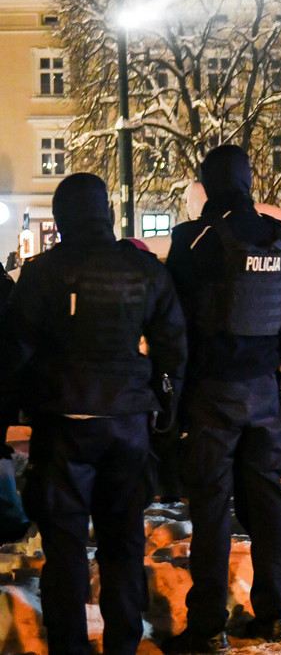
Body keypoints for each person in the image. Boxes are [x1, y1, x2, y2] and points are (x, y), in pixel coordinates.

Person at [0, 174, 187, 655]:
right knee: (122, 540)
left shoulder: (43, 272)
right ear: (106, 212)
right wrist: (166, 408)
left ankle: (71, 647)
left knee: (64, 547)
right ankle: (124, 642)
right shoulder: (144, 270)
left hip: (63, 422)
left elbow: (12, 351)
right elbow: (173, 346)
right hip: (127, 422)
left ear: (62, 218)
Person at [162, 145, 281, 652]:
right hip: (264, 391)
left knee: (211, 508)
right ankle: (273, 613)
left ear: (208, 184)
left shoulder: (194, 239)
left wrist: (171, 396)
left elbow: (173, 325)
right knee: (268, 502)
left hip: (211, 394)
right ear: (249, 182)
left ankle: (208, 626)